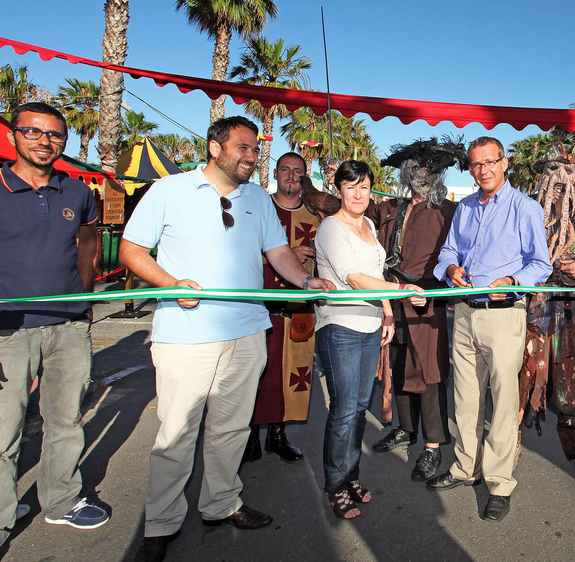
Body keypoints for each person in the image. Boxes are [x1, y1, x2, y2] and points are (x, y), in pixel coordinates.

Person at [120, 116, 333, 562]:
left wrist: (305, 281)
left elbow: (276, 252)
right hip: (185, 337)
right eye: (243, 148)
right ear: (215, 148)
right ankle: (161, 524)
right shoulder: (170, 191)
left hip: (248, 331)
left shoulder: (257, 198)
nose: (252, 157)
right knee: (176, 433)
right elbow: (132, 250)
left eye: (255, 150)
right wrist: (170, 283)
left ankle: (220, 504)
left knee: (231, 429)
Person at [0, 102, 108, 550]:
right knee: (4, 430)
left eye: (55, 135)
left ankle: (61, 500)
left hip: (67, 326)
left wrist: (82, 304)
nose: (46, 142)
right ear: (14, 137)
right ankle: (3, 517)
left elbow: (87, 245)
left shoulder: (77, 192)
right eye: (34, 132)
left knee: (65, 421)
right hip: (7, 328)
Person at [428, 136, 551, 522]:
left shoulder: (525, 208)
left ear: (505, 162)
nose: (483, 170)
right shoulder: (463, 208)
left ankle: (499, 482)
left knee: (501, 400)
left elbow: (540, 264)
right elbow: (449, 251)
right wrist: (450, 269)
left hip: (503, 315)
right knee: (464, 397)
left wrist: (512, 278)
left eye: (490, 162)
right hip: (464, 313)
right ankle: (465, 467)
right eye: (476, 164)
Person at [314, 160, 424, 520]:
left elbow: (377, 273)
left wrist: (388, 311)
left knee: (360, 406)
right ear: (339, 190)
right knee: (344, 410)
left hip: (371, 324)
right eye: (351, 186)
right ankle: (336, 484)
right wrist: (403, 290)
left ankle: (351, 476)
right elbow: (357, 279)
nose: (358, 194)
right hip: (341, 327)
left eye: (364, 186)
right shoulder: (331, 228)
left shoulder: (370, 225)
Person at [368, 138, 464, 482]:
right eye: (414, 168)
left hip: (427, 301)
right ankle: (406, 430)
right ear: (406, 173)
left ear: (437, 174)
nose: (420, 174)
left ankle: (434, 444)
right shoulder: (392, 207)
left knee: (429, 373)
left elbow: (458, 257)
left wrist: (436, 291)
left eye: (427, 169)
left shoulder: (449, 212)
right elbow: (347, 208)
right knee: (398, 366)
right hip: (393, 299)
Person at [517, 145, 575, 478]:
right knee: (521, 377)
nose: (559, 178)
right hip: (530, 311)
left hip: (573, 315)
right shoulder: (523, 212)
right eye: (552, 170)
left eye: (567, 171)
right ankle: (508, 443)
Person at [243, 152, 320, 464]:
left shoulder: (314, 219)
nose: (291, 175)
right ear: (275, 172)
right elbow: (240, 255)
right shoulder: (258, 211)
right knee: (255, 374)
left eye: (297, 171)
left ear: (304, 177)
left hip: (296, 310)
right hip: (258, 307)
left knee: (292, 374)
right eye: (285, 169)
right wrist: (285, 257)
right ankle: (248, 435)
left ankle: (277, 435)